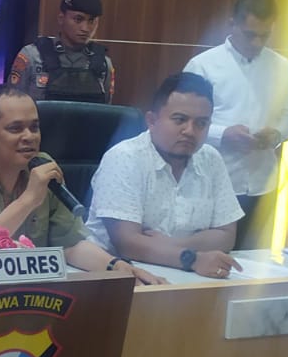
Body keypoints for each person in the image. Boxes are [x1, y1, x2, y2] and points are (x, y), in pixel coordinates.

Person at [0, 85, 163, 285]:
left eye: (34, 127)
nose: (29, 136)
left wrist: (118, 268)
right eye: (15, 128)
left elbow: (70, 244)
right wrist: (28, 200)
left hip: (35, 293)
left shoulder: (43, 166)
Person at [88, 73, 244, 277]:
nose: (190, 131)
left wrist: (173, 245)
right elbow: (127, 243)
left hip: (187, 275)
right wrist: (192, 258)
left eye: (201, 123)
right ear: (152, 121)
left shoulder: (211, 158)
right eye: (180, 120)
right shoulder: (125, 157)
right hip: (118, 276)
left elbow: (227, 235)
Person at [183, 0, 288, 249]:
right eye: (250, 35)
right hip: (212, 181)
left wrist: (277, 134)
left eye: (265, 36)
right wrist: (223, 134)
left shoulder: (281, 66)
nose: (257, 42)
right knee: (208, 255)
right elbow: (182, 122)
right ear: (232, 24)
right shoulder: (203, 65)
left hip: (262, 183)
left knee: (253, 258)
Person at [8, 0, 115, 103]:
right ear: (61, 18)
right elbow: (12, 106)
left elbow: (106, 110)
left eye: (91, 21)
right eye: (78, 19)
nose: (85, 28)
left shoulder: (103, 64)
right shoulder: (32, 57)